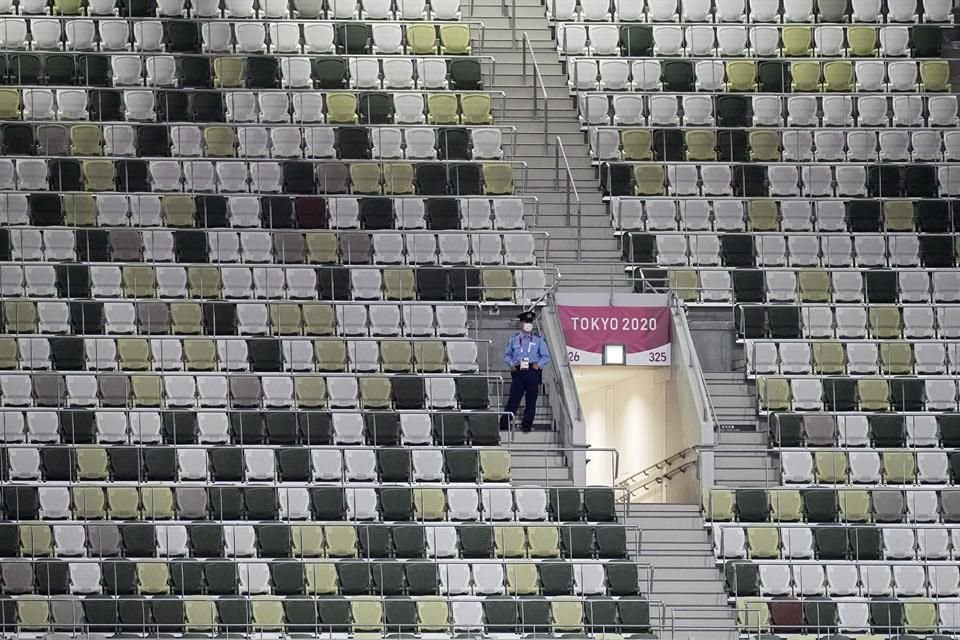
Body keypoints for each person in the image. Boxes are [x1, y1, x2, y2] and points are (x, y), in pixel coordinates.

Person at [501, 311, 551, 433]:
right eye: (525, 322)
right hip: (518, 372)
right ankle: (504, 423)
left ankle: (527, 425)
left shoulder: (538, 340)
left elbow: (546, 356)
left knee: (531, 399)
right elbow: (507, 355)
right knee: (514, 399)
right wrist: (511, 364)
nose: (528, 324)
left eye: (530, 322)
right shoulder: (514, 339)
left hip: (532, 372)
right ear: (521, 324)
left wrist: (538, 365)